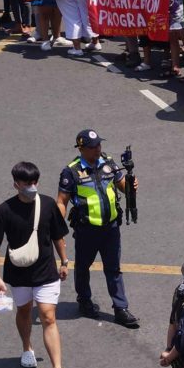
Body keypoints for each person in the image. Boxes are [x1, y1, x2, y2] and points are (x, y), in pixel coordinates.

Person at [0, 161, 72, 368]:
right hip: (18, 274)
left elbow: (58, 236)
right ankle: (27, 348)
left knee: (48, 316)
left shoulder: (48, 205)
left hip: (46, 272)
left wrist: (64, 261)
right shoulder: (4, 210)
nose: (32, 186)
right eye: (27, 183)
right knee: (24, 310)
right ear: (16, 184)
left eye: (35, 182)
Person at [56, 129, 139, 327]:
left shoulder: (108, 162)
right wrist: (57, 230)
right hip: (87, 229)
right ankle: (84, 301)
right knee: (83, 267)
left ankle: (121, 308)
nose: (97, 149)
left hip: (110, 227)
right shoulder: (71, 171)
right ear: (82, 148)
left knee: (114, 268)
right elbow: (62, 201)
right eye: (93, 147)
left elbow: (120, 185)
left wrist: (130, 185)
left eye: (99, 145)